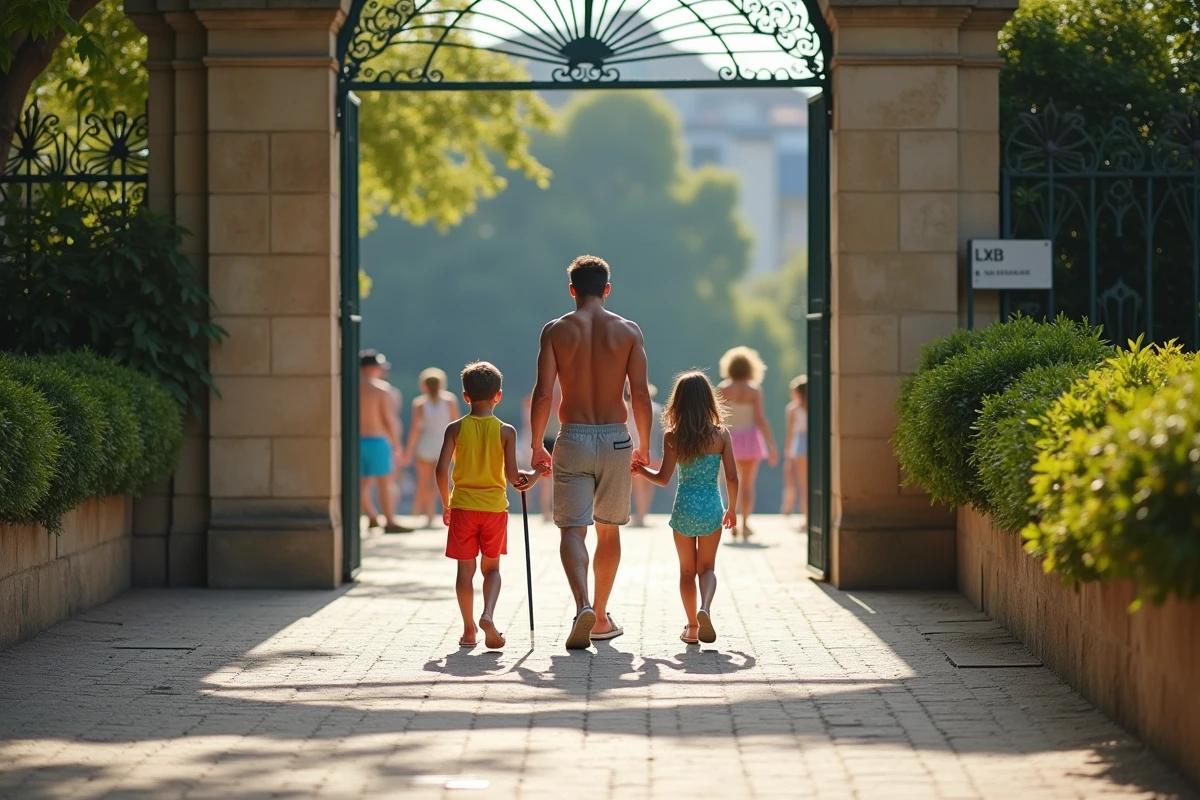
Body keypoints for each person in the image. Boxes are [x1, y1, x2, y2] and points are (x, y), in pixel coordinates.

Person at [530, 254, 653, 650]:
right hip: (617, 438)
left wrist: (536, 445)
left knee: (572, 528)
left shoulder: (555, 330)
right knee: (609, 528)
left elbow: (545, 392)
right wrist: (645, 445)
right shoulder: (628, 330)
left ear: (572, 290)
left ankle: (582, 604)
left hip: (574, 436)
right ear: (607, 289)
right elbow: (638, 394)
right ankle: (600, 617)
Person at [436, 362, 543, 649]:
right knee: (492, 570)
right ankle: (488, 614)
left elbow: (440, 470)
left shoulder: (455, 428)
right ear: (499, 395)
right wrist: (535, 475)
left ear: (465, 396)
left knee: (464, 571)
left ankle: (469, 630)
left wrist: (446, 504)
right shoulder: (506, 431)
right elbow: (513, 477)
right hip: (494, 509)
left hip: (462, 507)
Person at [634, 371, 738, 644]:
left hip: (683, 510)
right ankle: (705, 607)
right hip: (712, 508)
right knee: (708, 569)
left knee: (686, 572)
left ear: (677, 402)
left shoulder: (673, 437)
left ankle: (692, 627)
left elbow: (663, 478)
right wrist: (733, 509)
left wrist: (640, 471)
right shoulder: (721, 435)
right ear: (709, 400)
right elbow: (732, 477)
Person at [716, 346, 778, 541]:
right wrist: (772, 445)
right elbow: (760, 418)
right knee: (748, 485)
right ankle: (744, 524)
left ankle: (730, 520)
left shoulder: (722, 389)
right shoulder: (755, 390)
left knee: (730, 482)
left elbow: (716, 417)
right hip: (751, 439)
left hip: (728, 440)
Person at [359, 350, 408, 533]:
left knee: (361, 483)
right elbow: (389, 419)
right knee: (384, 483)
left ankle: (371, 515)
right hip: (377, 439)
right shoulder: (381, 389)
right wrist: (397, 444)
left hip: (356, 440)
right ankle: (389, 520)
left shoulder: (348, 386)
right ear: (372, 367)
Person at [406, 367, 461, 528]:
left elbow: (415, 429)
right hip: (445, 446)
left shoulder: (419, 403)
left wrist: (409, 450)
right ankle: (448, 513)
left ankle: (427, 515)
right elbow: (456, 424)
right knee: (445, 483)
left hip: (425, 446)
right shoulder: (450, 401)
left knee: (425, 483)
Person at [629, 383, 663, 527]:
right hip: (654, 451)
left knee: (638, 485)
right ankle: (643, 513)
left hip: (637, 450)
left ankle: (640, 516)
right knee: (649, 484)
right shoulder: (657, 410)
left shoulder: (630, 409)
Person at [782, 376, 809, 528]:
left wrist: (787, 453)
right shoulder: (815, 406)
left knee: (803, 484)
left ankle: (806, 518)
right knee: (812, 484)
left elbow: (790, 433)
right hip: (812, 443)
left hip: (799, 447)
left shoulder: (793, 408)